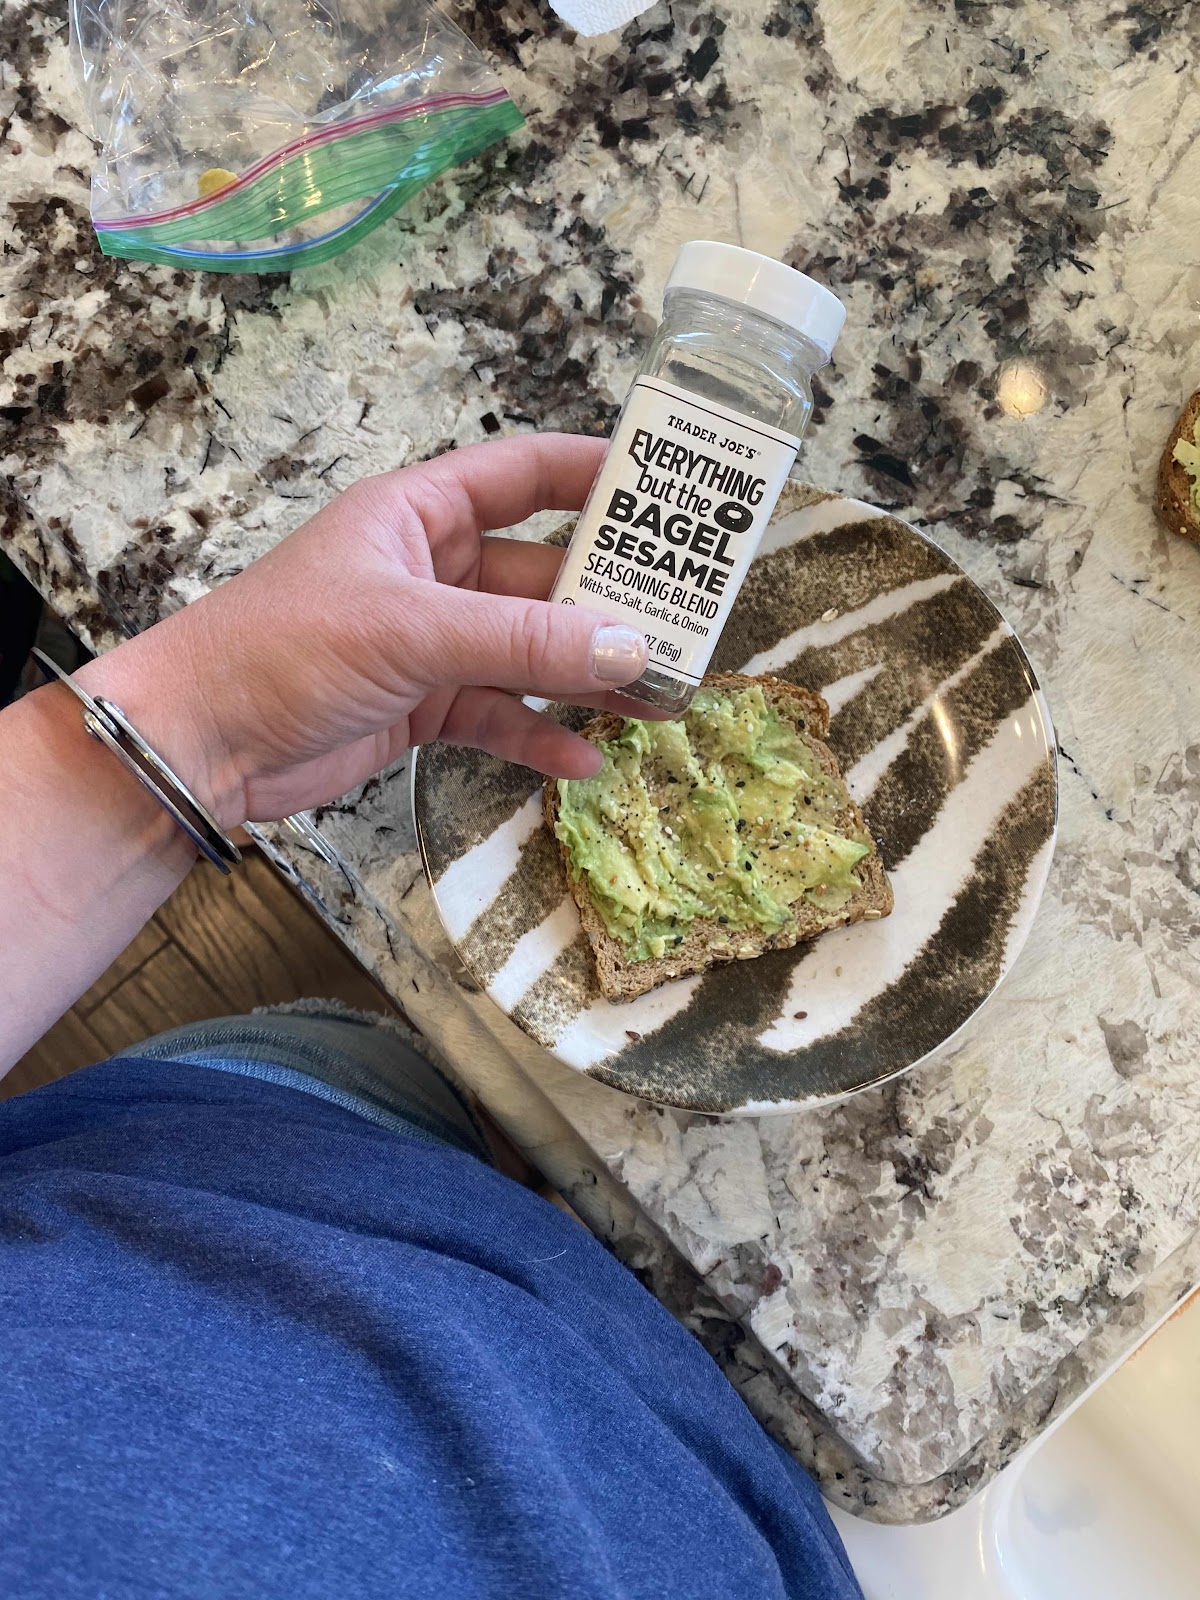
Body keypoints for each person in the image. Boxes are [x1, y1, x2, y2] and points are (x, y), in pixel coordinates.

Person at [0, 435, 863, 1599]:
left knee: (413, 1082)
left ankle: (496, 1162)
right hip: (721, 1479)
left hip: (251, 1146)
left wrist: (206, 725)